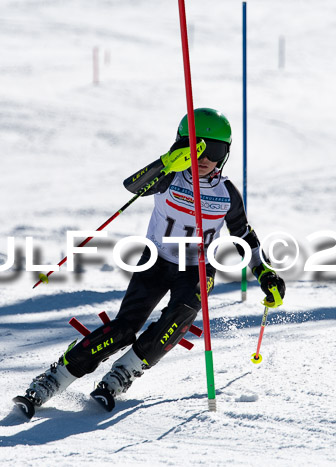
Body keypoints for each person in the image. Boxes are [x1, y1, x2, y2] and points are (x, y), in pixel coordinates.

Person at [15, 108, 285, 415]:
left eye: (215, 149)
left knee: (180, 314)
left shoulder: (226, 193)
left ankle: (124, 371)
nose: (204, 156)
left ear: (225, 154)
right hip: (156, 260)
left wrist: (264, 273)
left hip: (196, 268)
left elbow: (244, 234)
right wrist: (168, 161)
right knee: (124, 328)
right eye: (196, 146)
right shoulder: (169, 176)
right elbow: (133, 186)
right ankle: (56, 377)